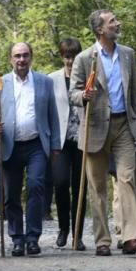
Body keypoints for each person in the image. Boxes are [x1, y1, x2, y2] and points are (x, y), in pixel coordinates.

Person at [68, 9, 136, 256]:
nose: (117, 23)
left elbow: (134, 93)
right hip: (95, 127)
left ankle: (131, 236)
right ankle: (102, 240)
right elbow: (73, 93)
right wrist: (84, 96)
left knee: (126, 179)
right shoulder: (84, 58)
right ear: (100, 29)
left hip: (124, 124)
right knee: (97, 186)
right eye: (112, 21)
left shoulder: (127, 55)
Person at [0, 43, 62, 256]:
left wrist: (55, 144)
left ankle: (32, 237)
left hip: (36, 144)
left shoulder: (44, 82)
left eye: (25, 55)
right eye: (17, 56)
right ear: (11, 59)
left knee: (36, 186)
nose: (21, 60)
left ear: (31, 57)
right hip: (10, 145)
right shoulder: (1, 83)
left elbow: (52, 114)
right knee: (10, 194)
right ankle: (17, 238)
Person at [49, 38, 85, 249]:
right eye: (67, 57)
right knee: (61, 183)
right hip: (61, 139)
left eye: (74, 56)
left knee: (80, 187)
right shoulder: (52, 79)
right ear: (62, 57)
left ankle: (77, 234)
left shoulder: (87, 77)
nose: (70, 61)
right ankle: (64, 228)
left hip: (82, 138)